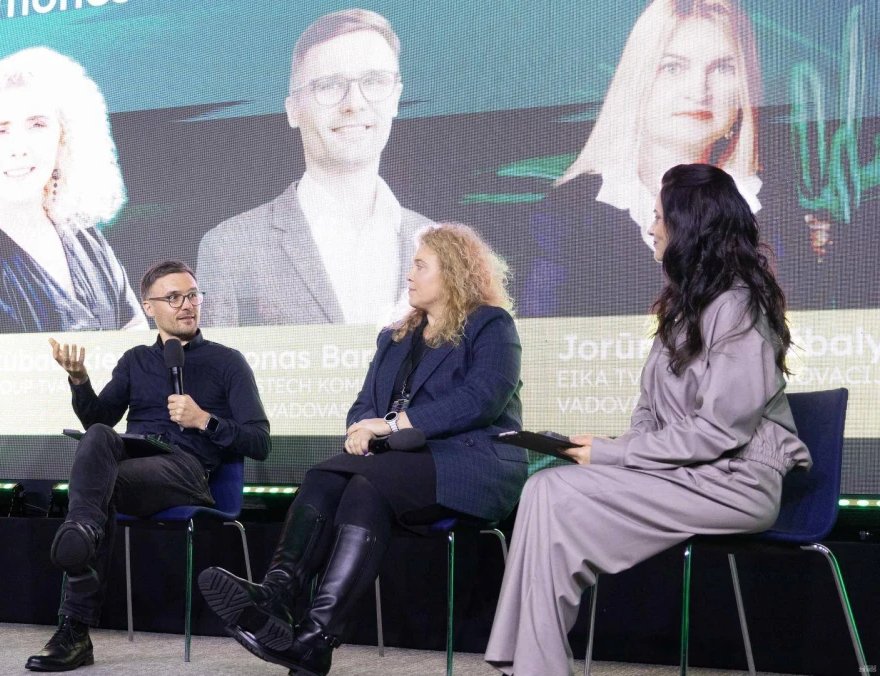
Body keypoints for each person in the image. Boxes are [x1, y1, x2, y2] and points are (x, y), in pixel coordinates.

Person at [486, 164, 812, 675]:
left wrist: (614, 454)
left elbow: (720, 431)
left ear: (690, 227)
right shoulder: (683, 309)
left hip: (735, 483)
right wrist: (614, 454)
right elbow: (649, 411)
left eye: (660, 216)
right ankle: (531, 664)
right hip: (689, 475)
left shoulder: (740, 308)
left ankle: (530, 666)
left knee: (554, 494)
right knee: (546, 488)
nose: (652, 227)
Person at [199, 223, 526, 676]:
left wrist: (390, 425)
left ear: (452, 272)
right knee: (324, 477)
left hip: (472, 465)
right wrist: (360, 430)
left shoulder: (490, 325)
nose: (408, 275)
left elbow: (482, 398)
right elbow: (364, 405)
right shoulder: (393, 339)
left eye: (419, 265)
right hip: (399, 468)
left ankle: (316, 636)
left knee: (369, 483)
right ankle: (280, 596)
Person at [24, 260, 270, 671]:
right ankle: (82, 534)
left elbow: (259, 441)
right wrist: (80, 381)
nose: (187, 305)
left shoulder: (228, 362)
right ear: (149, 307)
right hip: (132, 463)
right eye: (174, 297)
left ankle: (74, 626)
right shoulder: (136, 359)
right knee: (99, 436)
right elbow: (97, 421)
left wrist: (204, 420)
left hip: (187, 470)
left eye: (192, 295)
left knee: (95, 492)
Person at [521, 0, 763, 317]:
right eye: (673, 67)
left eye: (722, 68)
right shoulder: (569, 211)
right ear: (637, 80)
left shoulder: (771, 203)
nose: (698, 90)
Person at [197, 9, 434, 327]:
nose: (354, 103)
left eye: (374, 81)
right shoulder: (230, 247)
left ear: (396, 98)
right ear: (293, 110)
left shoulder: (442, 246)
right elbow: (213, 374)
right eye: (329, 86)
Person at [0, 46, 146, 334]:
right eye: (1, 130)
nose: (19, 149)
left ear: (64, 139)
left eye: (37, 125)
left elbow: (134, 328)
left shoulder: (84, 236)